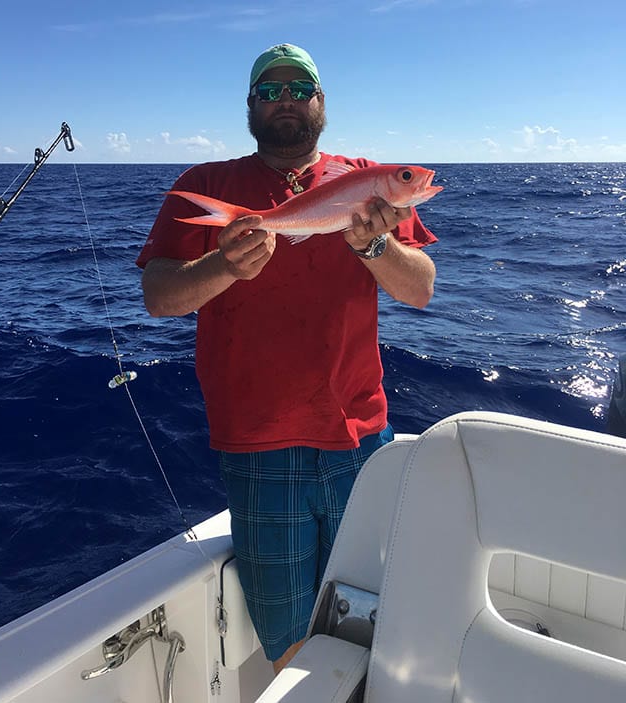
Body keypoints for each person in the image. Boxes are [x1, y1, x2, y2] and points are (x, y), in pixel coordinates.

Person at [137, 43, 437, 672]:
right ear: (250, 106)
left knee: (375, 613)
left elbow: (421, 288)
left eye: (299, 89)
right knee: (289, 631)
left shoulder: (367, 181)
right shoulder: (205, 185)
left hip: (360, 435)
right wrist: (224, 264)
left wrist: (377, 245)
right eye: (269, 91)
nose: (286, 101)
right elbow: (160, 296)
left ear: (321, 103)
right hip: (258, 442)